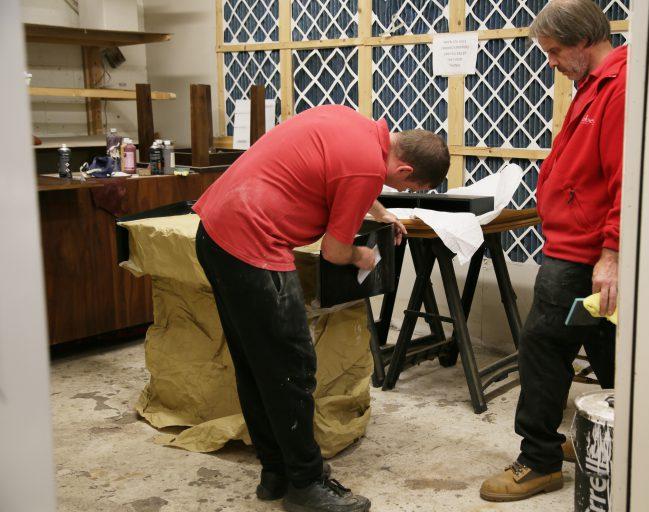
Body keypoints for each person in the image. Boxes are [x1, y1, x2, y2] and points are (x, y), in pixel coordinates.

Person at [193, 104, 450, 512]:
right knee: (291, 368)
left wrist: (381, 211)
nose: (400, 192)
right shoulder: (366, 169)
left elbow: (344, 175)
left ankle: (276, 473)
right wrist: (363, 257)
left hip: (216, 231)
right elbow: (335, 251)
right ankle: (306, 484)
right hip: (252, 245)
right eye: (406, 187)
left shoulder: (355, 125)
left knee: (257, 365)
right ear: (404, 169)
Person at [480, 0, 625, 502]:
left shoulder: (620, 87)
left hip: (582, 252)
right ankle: (614, 440)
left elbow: (627, 179)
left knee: (542, 349)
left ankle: (539, 459)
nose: (552, 62)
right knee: (608, 350)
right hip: (576, 245)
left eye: (556, 51)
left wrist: (612, 254)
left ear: (584, 40)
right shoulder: (594, 85)